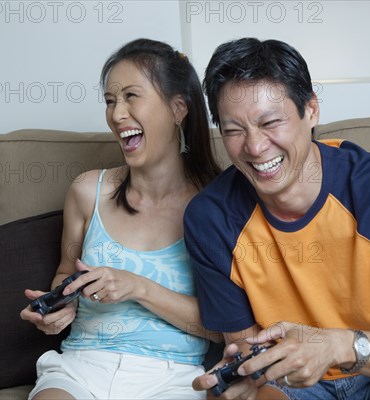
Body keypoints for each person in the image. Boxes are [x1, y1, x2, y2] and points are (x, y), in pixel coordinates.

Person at [184, 38, 370, 400]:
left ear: (310, 110)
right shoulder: (210, 217)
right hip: (290, 377)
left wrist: (336, 346)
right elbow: (246, 347)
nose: (255, 146)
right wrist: (244, 372)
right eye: (234, 131)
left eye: (270, 123)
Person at [20, 38, 222, 400]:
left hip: (172, 378)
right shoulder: (87, 191)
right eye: (111, 101)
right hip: (81, 366)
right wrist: (61, 308)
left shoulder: (218, 202)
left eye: (131, 96)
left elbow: (225, 328)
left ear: (178, 108)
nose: (117, 114)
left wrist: (138, 287)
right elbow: (67, 273)